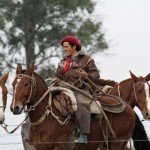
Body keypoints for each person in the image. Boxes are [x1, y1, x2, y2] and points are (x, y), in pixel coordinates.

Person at [55, 35, 116, 143]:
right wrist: (55, 78)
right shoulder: (63, 62)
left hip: (81, 89)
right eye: (63, 47)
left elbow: (96, 75)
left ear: (74, 47)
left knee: (81, 103)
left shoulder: (87, 59)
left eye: (66, 47)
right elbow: (58, 75)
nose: (64, 49)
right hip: (64, 89)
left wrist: (86, 75)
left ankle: (83, 134)